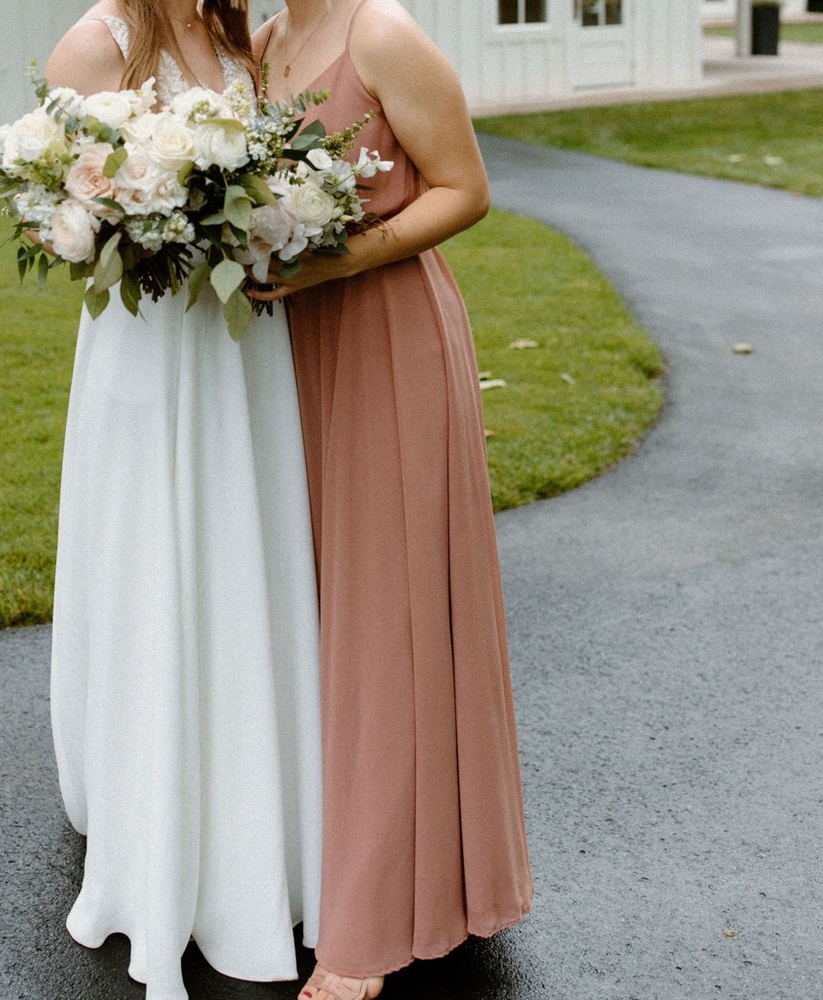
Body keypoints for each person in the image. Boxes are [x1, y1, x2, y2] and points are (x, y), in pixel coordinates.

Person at [250, 2, 534, 998]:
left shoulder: (382, 35)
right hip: (291, 344)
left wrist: (338, 257)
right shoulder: (263, 38)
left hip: (384, 333)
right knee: (316, 607)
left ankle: (369, 927)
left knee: (389, 620)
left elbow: (465, 189)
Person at [45, 3, 323, 998]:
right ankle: (156, 814)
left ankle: (268, 815)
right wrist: (150, 212)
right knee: (159, 559)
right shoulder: (102, 43)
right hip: (153, 350)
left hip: (243, 345)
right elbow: (62, 220)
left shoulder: (245, 35)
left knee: (248, 545)